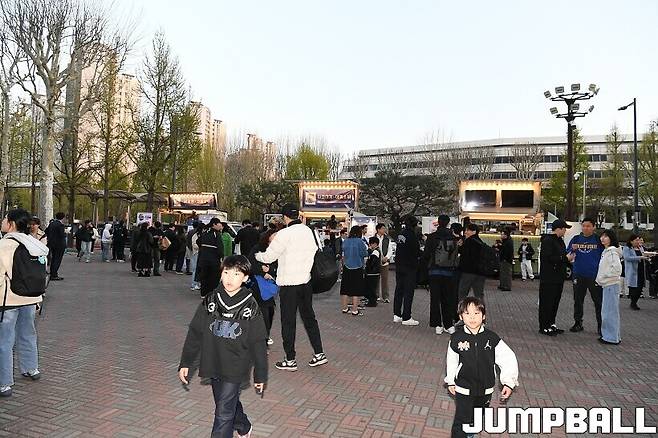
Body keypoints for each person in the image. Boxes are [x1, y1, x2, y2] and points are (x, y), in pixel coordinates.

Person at [178, 255, 268, 438]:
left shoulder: (250, 306)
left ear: (245, 278)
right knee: (224, 403)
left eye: (236, 274)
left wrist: (260, 374)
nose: (229, 278)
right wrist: (186, 362)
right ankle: (243, 425)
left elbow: (258, 342)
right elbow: (195, 332)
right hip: (213, 361)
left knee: (223, 413)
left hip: (236, 364)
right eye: (226, 272)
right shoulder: (211, 300)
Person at [255, 203, 327, 371]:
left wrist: (257, 256)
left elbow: (269, 257)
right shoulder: (308, 231)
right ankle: (319, 353)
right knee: (309, 318)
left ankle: (290, 359)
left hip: (289, 284)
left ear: (285, 217)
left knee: (288, 321)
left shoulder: (284, 234)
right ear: (298, 215)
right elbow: (315, 250)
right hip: (306, 281)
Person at [444, 297, 519, 438]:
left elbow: (508, 358)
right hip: (464, 388)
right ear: (461, 317)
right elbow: (452, 361)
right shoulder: (456, 338)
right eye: (467, 313)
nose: (472, 317)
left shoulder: (492, 338)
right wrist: (451, 381)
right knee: (462, 420)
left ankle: (470, 434)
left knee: (477, 418)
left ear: (483, 316)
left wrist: (508, 382)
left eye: (476, 313)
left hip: (485, 389)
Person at [0, 208, 49, 397]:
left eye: (5, 219)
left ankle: (4, 383)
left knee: (5, 340)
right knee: (28, 332)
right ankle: (31, 368)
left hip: (8, 299)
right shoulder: (34, 243)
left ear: (11, 224)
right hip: (31, 297)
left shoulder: (4, 245)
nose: (2, 221)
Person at [423, 215, 459, 336]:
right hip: (449, 273)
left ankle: (437, 325)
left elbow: (426, 255)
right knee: (447, 298)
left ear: (438, 223)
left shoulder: (432, 237)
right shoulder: (453, 238)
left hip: (434, 272)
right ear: (448, 223)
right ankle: (448, 324)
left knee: (435, 299)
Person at [567, 218, 604, 334]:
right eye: (583, 226)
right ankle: (578, 323)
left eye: (588, 226)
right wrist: (572, 251)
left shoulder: (598, 240)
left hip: (594, 275)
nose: (585, 228)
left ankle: (601, 325)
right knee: (578, 300)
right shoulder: (576, 239)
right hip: (578, 274)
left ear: (593, 227)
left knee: (598, 301)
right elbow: (568, 255)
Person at [538, 219, 574, 336]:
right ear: (558, 229)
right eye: (564, 229)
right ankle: (544, 326)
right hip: (549, 278)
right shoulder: (548, 241)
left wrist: (568, 260)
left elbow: (562, 257)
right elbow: (548, 258)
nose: (565, 231)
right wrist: (565, 258)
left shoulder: (560, 241)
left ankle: (551, 324)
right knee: (547, 302)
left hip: (558, 277)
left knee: (555, 302)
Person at [248, 230, 279, 346]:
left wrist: (270, 270)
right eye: (274, 236)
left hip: (269, 284)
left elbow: (278, 266)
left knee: (270, 310)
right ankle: (263, 338)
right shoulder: (258, 248)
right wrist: (262, 272)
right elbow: (250, 264)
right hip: (257, 283)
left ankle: (265, 334)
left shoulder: (278, 250)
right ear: (267, 237)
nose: (276, 238)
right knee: (264, 310)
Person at [596, 230, 623, 345]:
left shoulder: (612, 252)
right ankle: (612, 335)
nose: (602, 238)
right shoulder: (607, 251)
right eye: (602, 236)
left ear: (611, 238)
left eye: (606, 236)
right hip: (608, 284)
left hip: (611, 284)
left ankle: (611, 337)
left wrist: (604, 277)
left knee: (609, 312)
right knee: (609, 311)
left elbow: (617, 269)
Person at [393, 215, 421, 326]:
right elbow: (416, 251)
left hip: (399, 265)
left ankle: (397, 314)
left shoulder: (401, 234)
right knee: (408, 292)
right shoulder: (412, 236)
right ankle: (406, 317)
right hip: (410, 267)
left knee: (399, 290)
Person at [339, 226, 368, 315]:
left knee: (345, 288)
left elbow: (343, 253)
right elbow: (364, 253)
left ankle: (345, 308)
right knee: (356, 289)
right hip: (357, 267)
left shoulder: (346, 241)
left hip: (347, 266)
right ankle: (355, 310)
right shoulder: (360, 242)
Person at [457, 224, 486, 302]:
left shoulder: (469, 241)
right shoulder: (480, 242)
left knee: (462, 293)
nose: (465, 232)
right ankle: (481, 308)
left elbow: (465, 255)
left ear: (474, 231)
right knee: (479, 294)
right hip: (480, 272)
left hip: (469, 272)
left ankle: (462, 308)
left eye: (467, 230)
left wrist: (460, 246)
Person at [197, 219, 225, 296]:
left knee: (204, 276)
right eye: (219, 223)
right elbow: (220, 248)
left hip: (203, 258)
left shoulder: (205, 232)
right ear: (214, 224)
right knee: (214, 277)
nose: (220, 225)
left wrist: (203, 248)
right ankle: (212, 293)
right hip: (214, 260)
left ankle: (203, 293)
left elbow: (198, 241)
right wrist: (221, 257)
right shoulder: (216, 234)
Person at [623, 234, 651, 311]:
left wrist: (647, 256)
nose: (638, 241)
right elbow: (627, 258)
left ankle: (634, 302)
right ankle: (633, 303)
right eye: (636, 240)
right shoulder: (627, 248)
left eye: (638, 240)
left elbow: (644, 255)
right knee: (634, 288)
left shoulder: (640, 248)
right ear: (631, 241)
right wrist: (640, 257)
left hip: (641, 270)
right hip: (632, 271)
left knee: (640, 287)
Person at [45, 212, 66, 281]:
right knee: (57, 259)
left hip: (52, 244)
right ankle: (54, 274)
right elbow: (62, 235)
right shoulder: (60, 225)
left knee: (53, 259)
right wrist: (65, 233)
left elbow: (46, 231)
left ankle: (52, 273)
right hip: (59, 244)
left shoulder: (52, 224)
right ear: (63, 218)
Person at [375, 223, 393, 304]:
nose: (384, 230)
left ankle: (385, 296)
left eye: (384, 228)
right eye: (382, 228)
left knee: (385, 279)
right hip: (376, 261)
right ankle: (376, 295)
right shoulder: (373, 238)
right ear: (378, 229)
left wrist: (387, 257)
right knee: (376, 278)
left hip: (385, 262)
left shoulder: (387, 239)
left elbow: (390, 249)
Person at [364, 236, 381, 308]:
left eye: (371, 244)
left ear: (375, 244)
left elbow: (372, 262)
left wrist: (368, 269)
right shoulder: (376, 251)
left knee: (371, 288)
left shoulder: (375, 252)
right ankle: (372, 301)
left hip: (373, 273)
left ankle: (372, 302)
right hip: (374, 272)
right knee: (372, 288)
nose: (370, 245)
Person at [189, 222, 204, 291]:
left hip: (201, 253)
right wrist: (201, 247)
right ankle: (193, 284)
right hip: (197, 253)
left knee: (199, 269)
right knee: (195, 269)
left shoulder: (202, 235)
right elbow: (194, 244)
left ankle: (198, 284)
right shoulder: (195, 235)